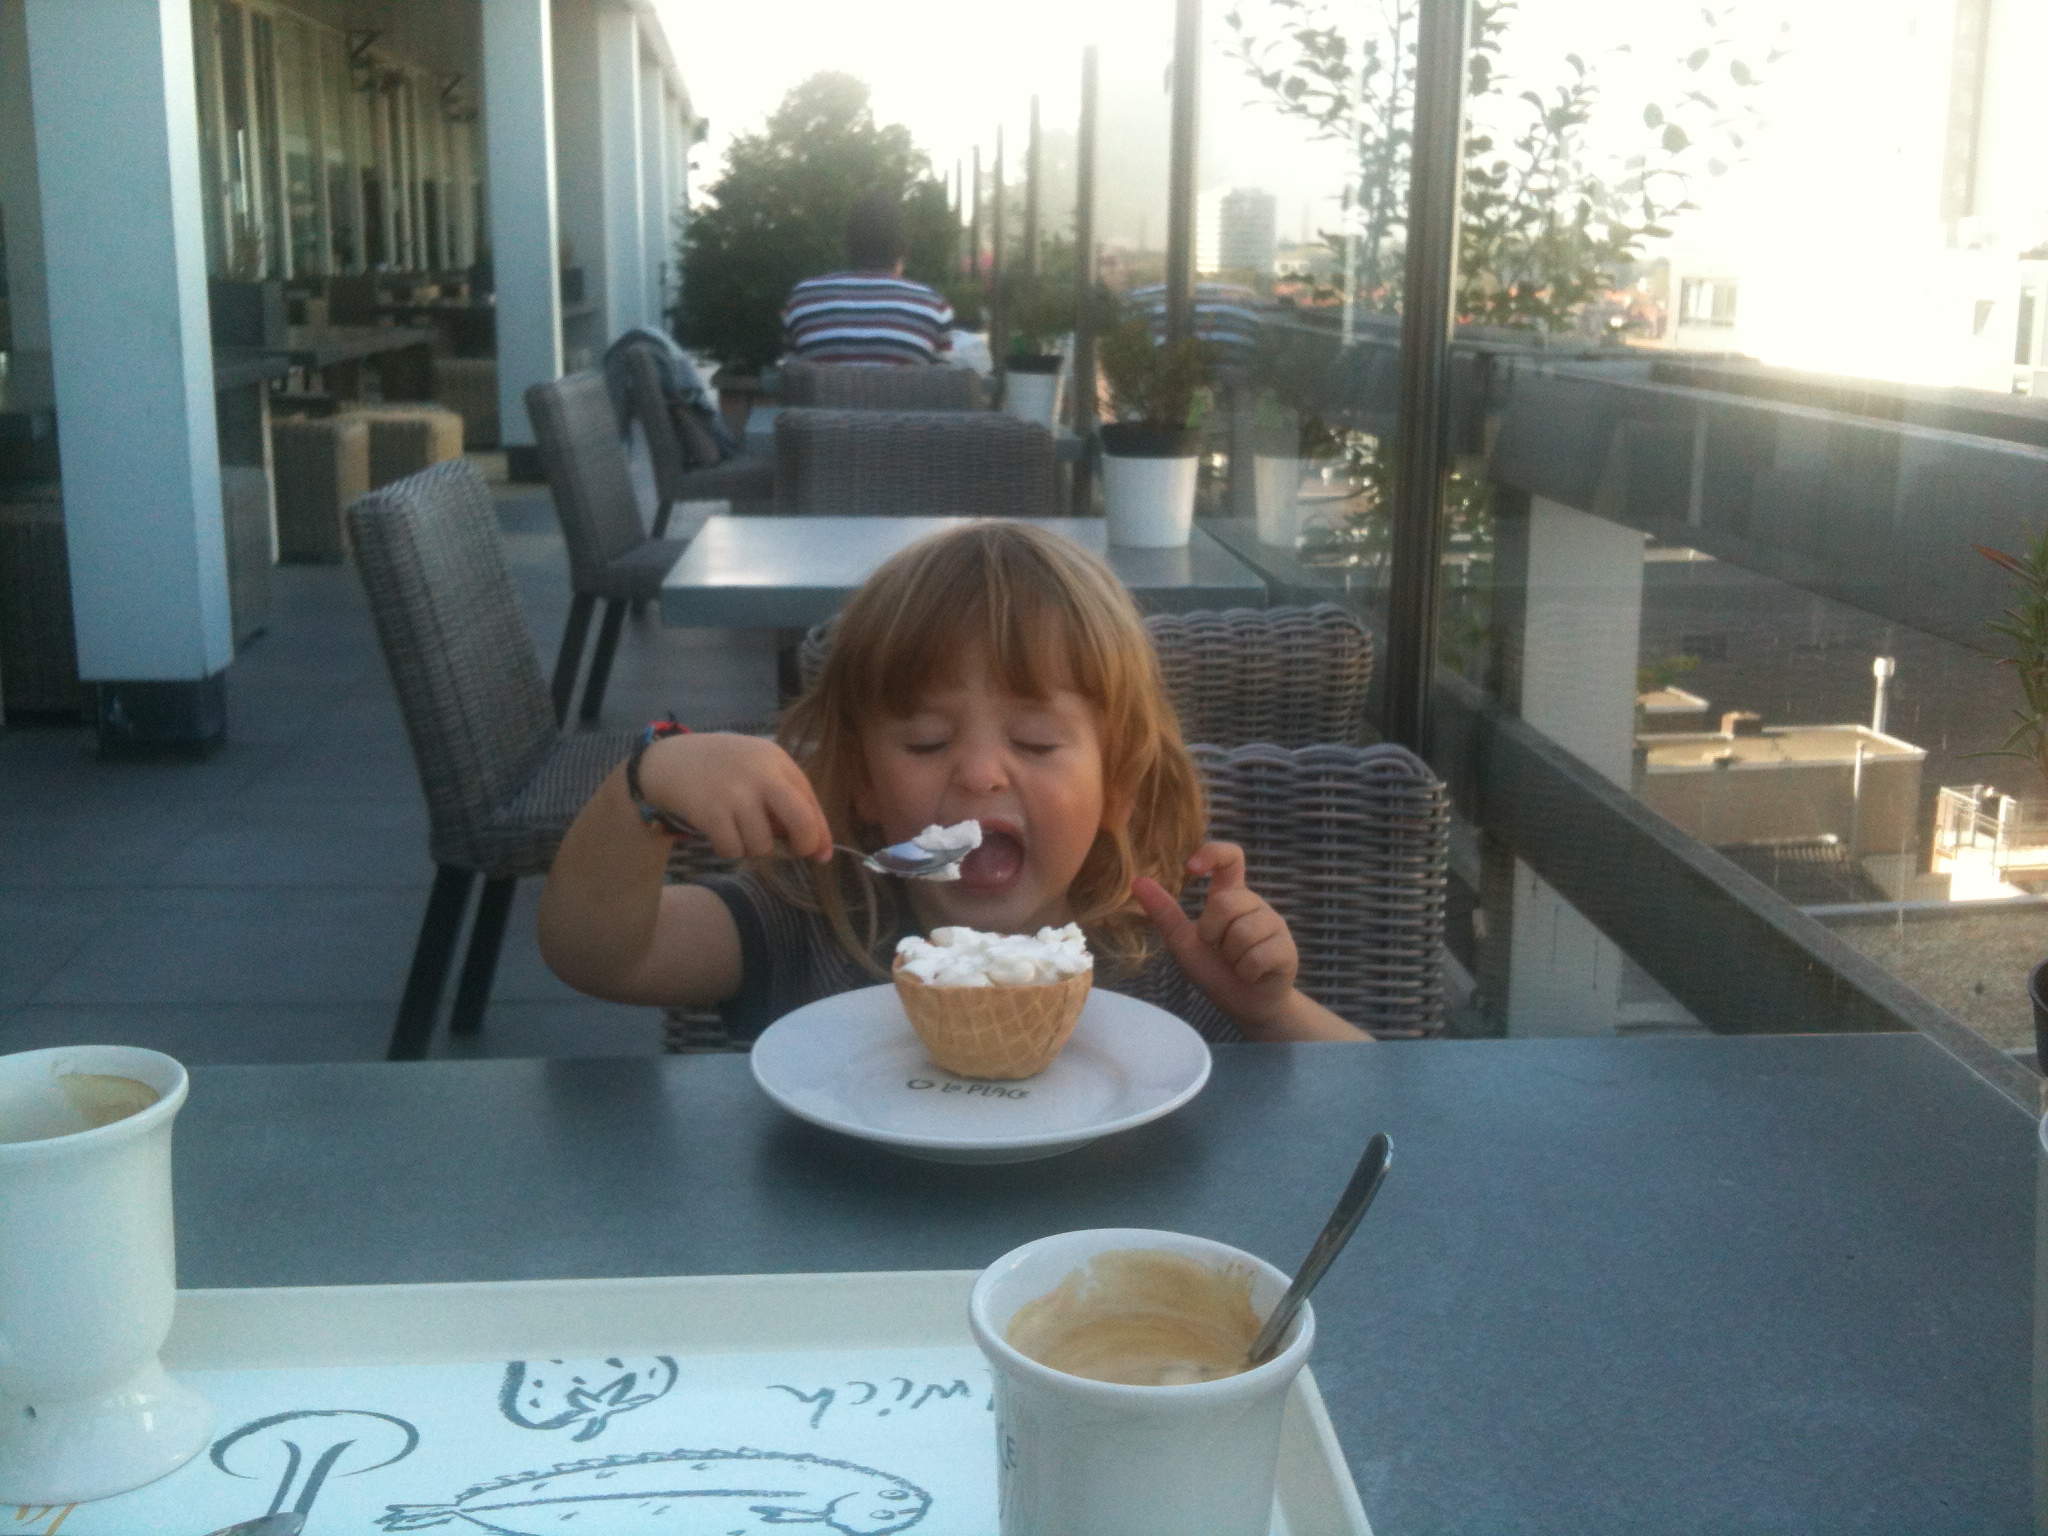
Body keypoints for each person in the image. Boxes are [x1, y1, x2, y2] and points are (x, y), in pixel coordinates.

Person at [538, 523, 1367, 1046]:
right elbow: (598, 956)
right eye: (927, 742)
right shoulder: (812, 925)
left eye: (1036, 742)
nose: (978, 773)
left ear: (1117, 786)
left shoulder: (1159, 958)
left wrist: (1266, 1012)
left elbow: (1375, 1100)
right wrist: (646, 788)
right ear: (864, 784)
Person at [781, 187, 954, 367]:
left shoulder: (802, 299)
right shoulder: (934, 307)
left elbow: (791, 373)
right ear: (901, 248)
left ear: (848, 243)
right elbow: (940, 379)